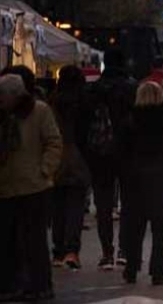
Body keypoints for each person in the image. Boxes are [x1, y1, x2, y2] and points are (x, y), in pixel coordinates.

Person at [0, 72, 62, 302]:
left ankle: (39, 285)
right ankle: (11, 284)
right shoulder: (4, 116)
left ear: (14, 95)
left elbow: (54, 142)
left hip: (34, 187)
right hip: (6, 187)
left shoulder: (39, 111)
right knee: (7, 241)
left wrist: (44, 169)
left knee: (34, 240)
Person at [119, 82, 163, 286]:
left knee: (134, 227)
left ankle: (131, 268)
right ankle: (158, 271)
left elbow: (120, 152)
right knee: (161, 229)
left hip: (135, 178)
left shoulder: (130, 121)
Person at [86, 49, 137, 271]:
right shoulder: (132, 87)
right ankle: (125, 250)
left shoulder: (94, 89)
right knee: (128, 203)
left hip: (100, 152)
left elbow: (84, 123)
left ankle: (107, 252)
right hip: (128, 152)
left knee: (104, 205)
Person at [49, 65, 92, 270]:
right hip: (79, 158)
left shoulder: (52, 102)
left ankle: (57, 251)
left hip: (56, 158)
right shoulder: (84, 103)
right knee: (76, 207)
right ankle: (72, 251)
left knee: (57, 206)